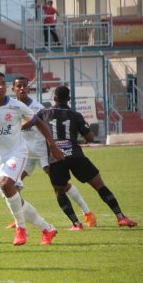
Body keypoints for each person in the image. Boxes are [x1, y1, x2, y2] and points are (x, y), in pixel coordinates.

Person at [0, 71, 63, 246]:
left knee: (7, 184)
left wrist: (52, 145)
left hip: (18, 153)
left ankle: (21, 229)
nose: (1, 87)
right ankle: (47, 228)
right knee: (13, 198)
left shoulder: (16, 106)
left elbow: (39, 122)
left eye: (3, 83)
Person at [36, 86, 138, 229]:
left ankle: (76, 224)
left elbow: (32, 123)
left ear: (54, 98)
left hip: (56, 157)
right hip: (76, 156)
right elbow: (90, 137)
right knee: (99, 185)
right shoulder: (75, 114)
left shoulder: (43, 113)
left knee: (60, 192)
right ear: (69, 99)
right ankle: (120, 217)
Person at [11, 76, 96, 231]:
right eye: (19, 86)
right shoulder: (12, 106)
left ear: (29, 88)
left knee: (61, 185)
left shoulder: (37, 107)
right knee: (13, 184)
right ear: (14, 89)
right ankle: (20, 218)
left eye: (24, 86)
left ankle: (87, 212)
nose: (22, 88)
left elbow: (37, 127)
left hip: (43, 151)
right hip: (25, 153)